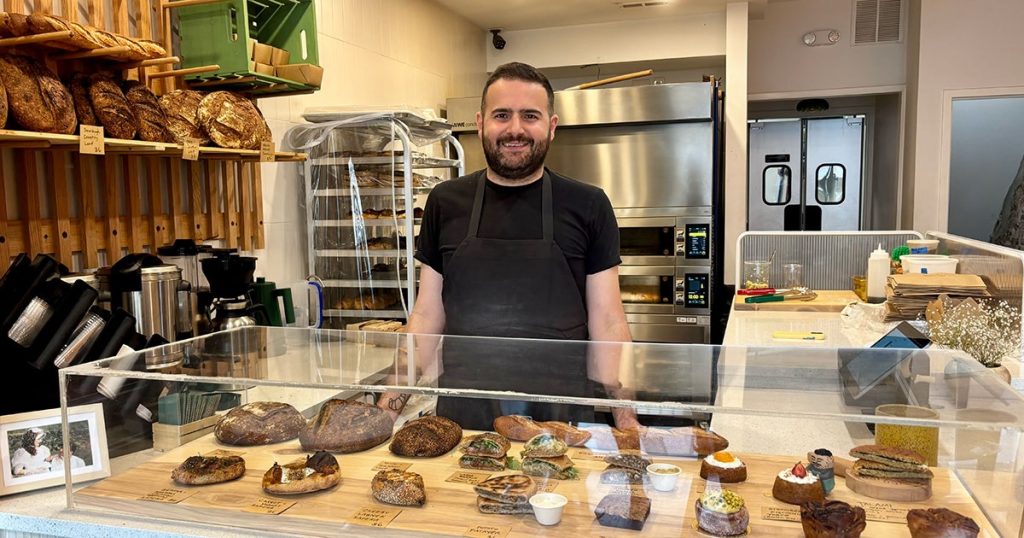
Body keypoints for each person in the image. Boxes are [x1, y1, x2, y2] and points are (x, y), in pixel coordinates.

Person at [379, 62, 636, 431]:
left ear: (551, 126)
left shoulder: (588, 205)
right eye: (502, 115)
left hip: (560, 420)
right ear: (481, 122)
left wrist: (627, 426)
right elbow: (426, 317)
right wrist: (384, 414)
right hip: (464, 424)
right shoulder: (445, 202)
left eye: (529, 116)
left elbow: (609, 323)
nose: (515, 129)